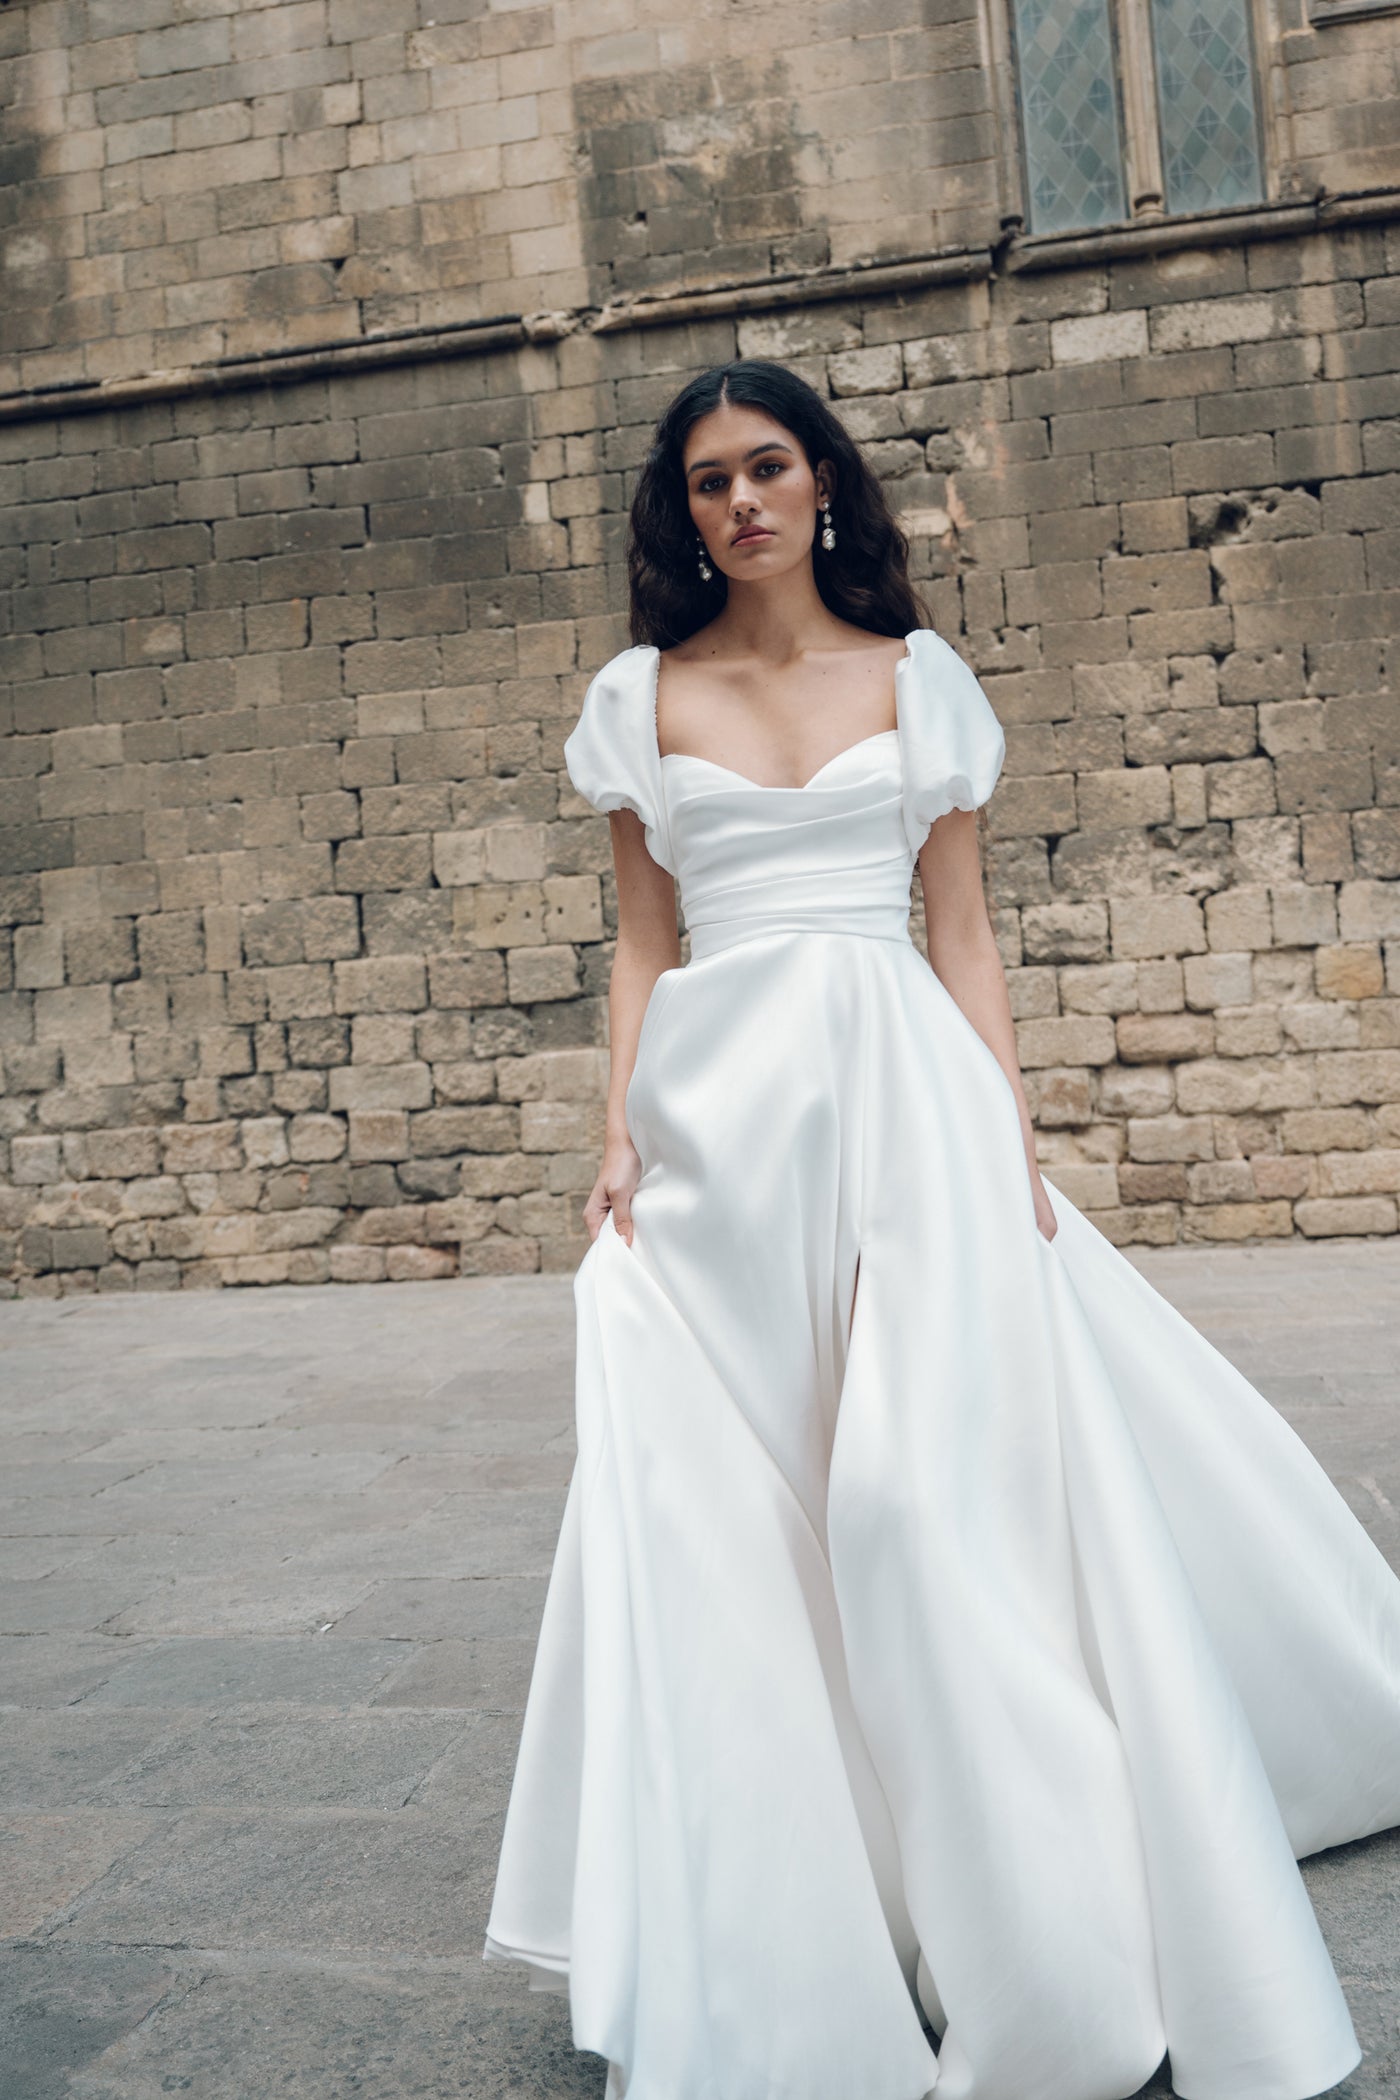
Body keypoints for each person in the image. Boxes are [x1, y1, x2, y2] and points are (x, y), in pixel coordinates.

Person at [484, 358, 1400, 2100]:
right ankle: (824, 1917)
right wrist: (613, 1136)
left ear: (825, 483)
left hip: (904, 1100)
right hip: (720, 1139)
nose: (738, 502)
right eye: (705, 482)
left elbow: (962, 930)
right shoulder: (639, 697)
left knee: (912, 1504)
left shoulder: (921, 680)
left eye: (768, 467)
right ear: (679, 516)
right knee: (757, 1521)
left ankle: (1035, 1934)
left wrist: (1010, 1129)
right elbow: (638, 943)